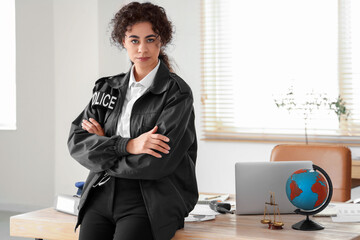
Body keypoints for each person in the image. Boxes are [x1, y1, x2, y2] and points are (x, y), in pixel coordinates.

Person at [67, 2, 198, 240]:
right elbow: (77, 142)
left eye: (150, 39)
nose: (142, 48)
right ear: (123, 42)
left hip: (150, 200)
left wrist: (105, 147)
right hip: (101, 193)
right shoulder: (108, 88)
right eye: (134, 40)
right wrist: (128, 146)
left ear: (161, 41)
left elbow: (157, 163)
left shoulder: (177, 93)